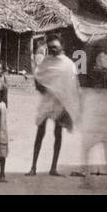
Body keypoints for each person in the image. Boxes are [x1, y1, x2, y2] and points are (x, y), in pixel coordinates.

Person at [28, 35, 80, 177]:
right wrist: (41, 86)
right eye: (50, 48)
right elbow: (38, 78)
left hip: (60, 103)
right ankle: (33, 167)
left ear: (62, 46)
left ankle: (53, 168)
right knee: (40, 132)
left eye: (54, 47)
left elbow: (73, 84)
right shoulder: (46, 61)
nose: (52, 50)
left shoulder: (68, 64)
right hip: (47, 101)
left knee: (58, 133)